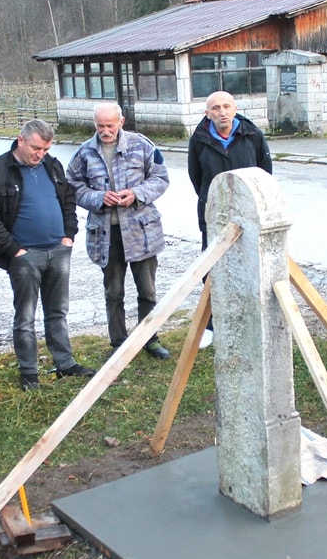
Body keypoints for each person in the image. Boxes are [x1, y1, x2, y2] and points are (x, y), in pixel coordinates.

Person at [0, 119, 95, 391]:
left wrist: (68, 236)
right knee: (25, 316)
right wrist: (14, 251)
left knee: (58, 312)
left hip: (58, 251)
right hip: (24, 258)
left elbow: (67, 200)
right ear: (21, 140)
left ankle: (65, 364)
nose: (40, 154)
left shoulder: (51, 166)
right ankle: (29, 373)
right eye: (36, 148)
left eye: (46, 148)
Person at [66, 102, 172, 360]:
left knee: (147, 290)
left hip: (141, 232)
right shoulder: (84, 153)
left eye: (110, 125)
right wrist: (99, 198)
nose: (105, 131)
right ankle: (119, 344)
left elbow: (160, 178)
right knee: (113, 292)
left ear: (121, 122)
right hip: (106, 235)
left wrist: (136, 194)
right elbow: (72, 186)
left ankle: (150, 339)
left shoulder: (142, 145)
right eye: (100, 126)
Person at [187, 90, 273, 348]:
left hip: (248, 214)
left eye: (226, 106)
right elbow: (196, 176)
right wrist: (211, 202)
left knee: (250, 266)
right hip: (214, 214)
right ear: (207, 113)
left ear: (235, 109)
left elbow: (264, 173)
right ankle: (212, 324)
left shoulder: (253, 135)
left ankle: (250, 320)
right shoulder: (199, 139)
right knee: (212, 268)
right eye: (215, 108)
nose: (221, 112)